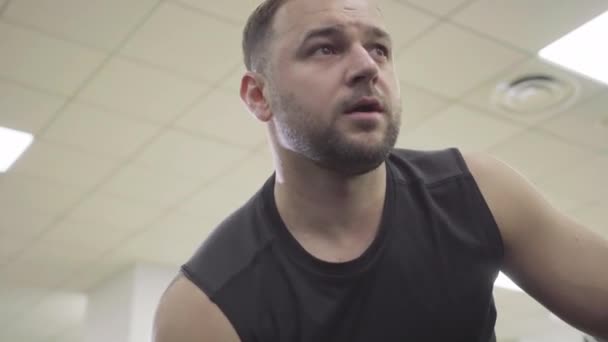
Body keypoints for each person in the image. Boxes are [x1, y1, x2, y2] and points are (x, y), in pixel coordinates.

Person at [152, 0, 608, 341]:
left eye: (379, 49)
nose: (367, 66)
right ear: (258, 95)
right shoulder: (207, 307)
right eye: (325, 48)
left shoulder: (477, 192)